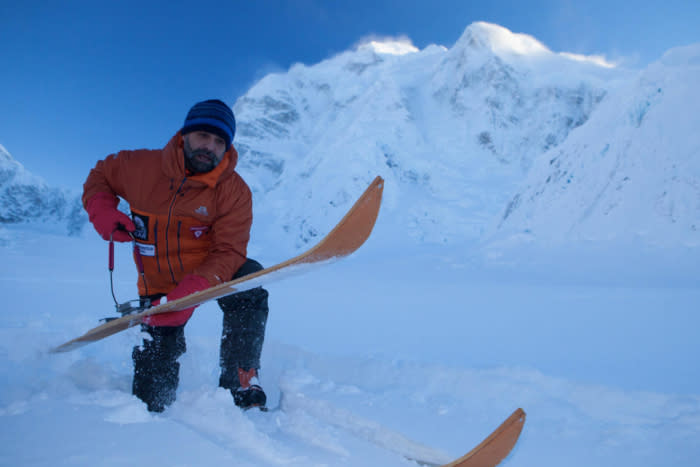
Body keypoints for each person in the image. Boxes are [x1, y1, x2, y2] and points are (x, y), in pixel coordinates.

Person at [82, 99, 269, 412]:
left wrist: (196, 287)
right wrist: (101, 208)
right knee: (151, 394)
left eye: (219, 141)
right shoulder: (138, 167)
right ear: (185, 135)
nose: (209, 146)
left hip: (208, 274)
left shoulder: (234, 191)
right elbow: (100, 175)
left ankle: (241, 379)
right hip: (156, 283)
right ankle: (155, 411)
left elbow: (229, 249)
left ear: (227, 147)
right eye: (202, 136)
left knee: (249, 284)